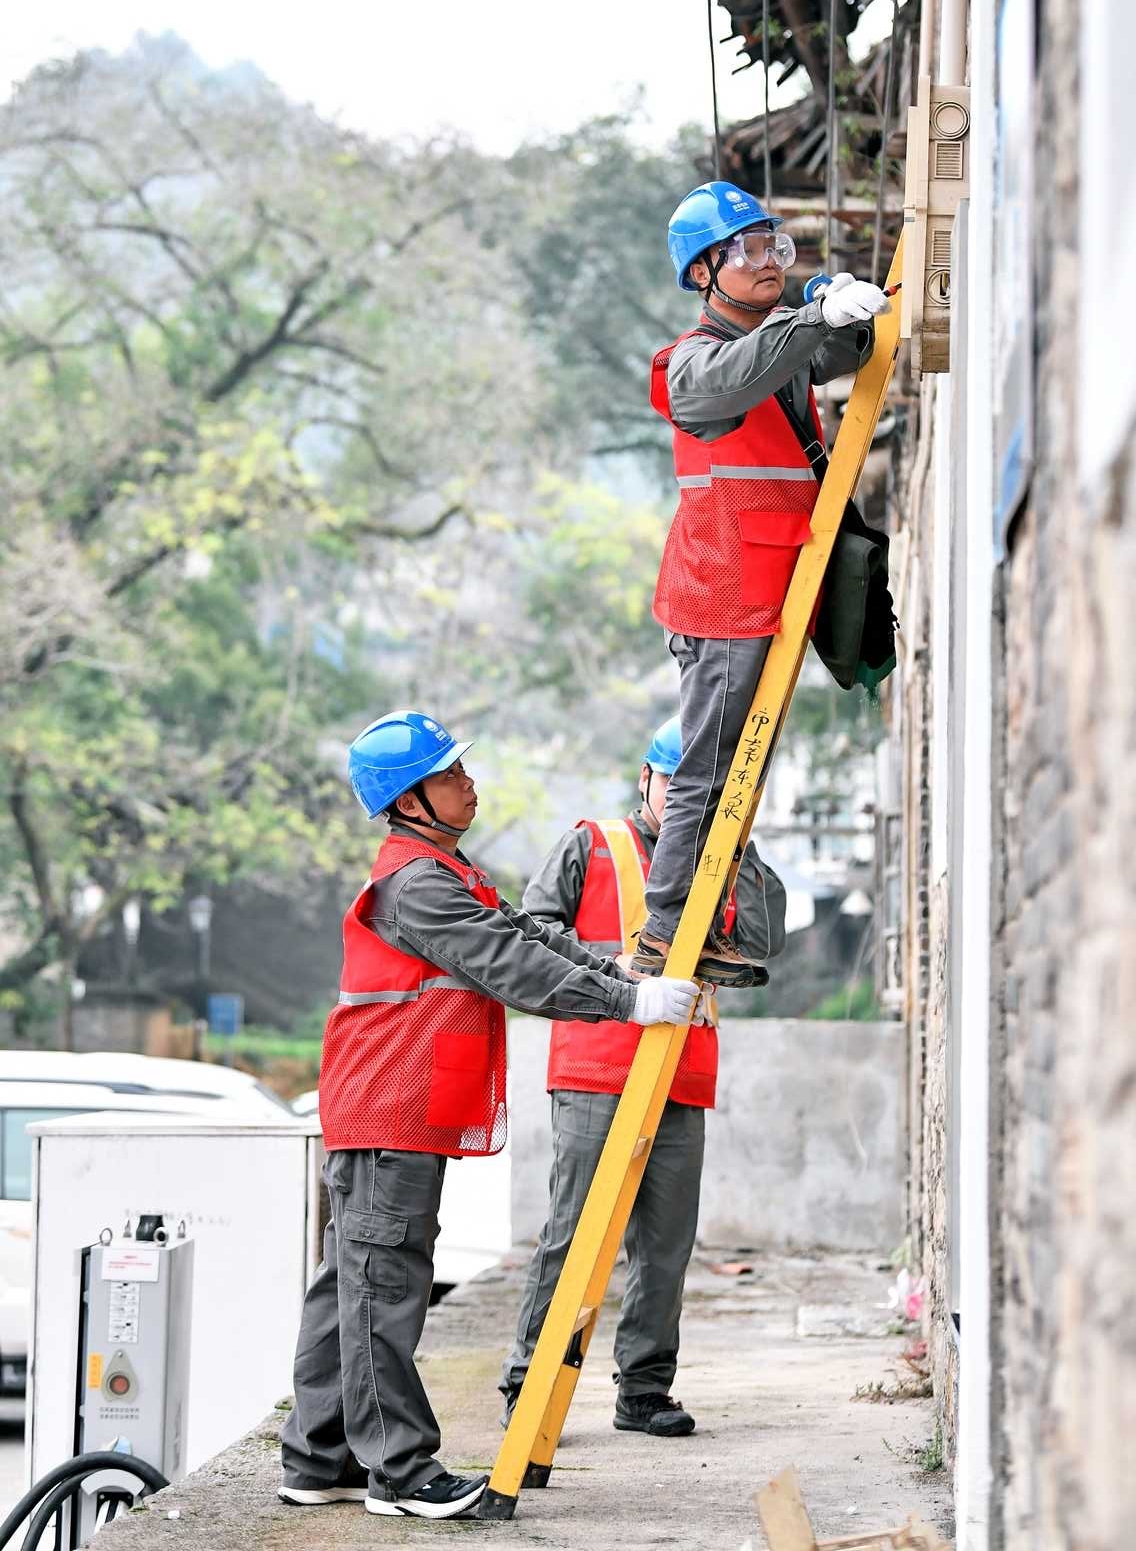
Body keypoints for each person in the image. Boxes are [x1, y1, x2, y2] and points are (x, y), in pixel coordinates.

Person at [278, 709, 700, 1524]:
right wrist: (628, 1001)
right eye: (449, 775)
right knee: (384, 1286)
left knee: (352, 1288)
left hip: (392, 1107)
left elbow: (520, 934)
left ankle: (316, 1455)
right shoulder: (417, 883)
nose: (470, 784)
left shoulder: (445, 872)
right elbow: (509, 965)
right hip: (387, 1107)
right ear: (407, 800)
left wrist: (608, 969)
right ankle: (398, 1471)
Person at [630, 181, 890, 986]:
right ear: (704, 272)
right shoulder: (691, 366)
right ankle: (663, 935)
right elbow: (732, 381)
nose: (768, 261)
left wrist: (835, 304)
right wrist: (811, 313)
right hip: (722, 596)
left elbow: (834, 352)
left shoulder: (775, 344)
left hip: (768, 595)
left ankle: (705, 929)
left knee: (740, 775)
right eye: (746, 250)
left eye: (774, 244)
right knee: (707, 772)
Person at [498, 715, 786, 1438]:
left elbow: (761, 943)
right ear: (646, 779)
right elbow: (530, 931)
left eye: (707, 792)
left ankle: (645, 1391)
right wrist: (614, 966)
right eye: (677, 784)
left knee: (664, 1243)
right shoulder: (591, 844)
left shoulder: (726, 859)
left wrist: (738, 840)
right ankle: (529, 1385)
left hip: (681, 1073)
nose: (690, 800)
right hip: (597, 1067)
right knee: (575, 1235)